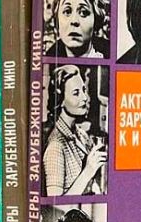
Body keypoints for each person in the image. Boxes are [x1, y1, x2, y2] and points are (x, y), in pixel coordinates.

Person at [43, 65, 107, 196]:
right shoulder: (55, 147)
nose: (85, 97)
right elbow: (55, 203)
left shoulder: (81, 135)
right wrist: (88, 171)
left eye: (84, 90)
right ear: (60, 100)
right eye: (76, 93)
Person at [45, 0, 109, 58]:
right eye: (67, 11)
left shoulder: (109, 52)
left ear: (96, 19)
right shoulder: (49, 56)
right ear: (57, 19)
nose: (74, 21)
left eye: (83, 12)